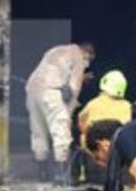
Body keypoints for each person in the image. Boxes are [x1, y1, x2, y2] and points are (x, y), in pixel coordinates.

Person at [25, 42, 95, 183]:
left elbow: (54, 71)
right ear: (87, 53)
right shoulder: (78, 55)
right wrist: (68, 114)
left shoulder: (56, 50)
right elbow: (75, 87)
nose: (88, 63)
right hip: (52, 92)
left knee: (38, 131)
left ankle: (42, 172)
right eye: (89, 59)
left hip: (32, 90)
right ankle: (60, 174)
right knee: (61, 131)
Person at [77, 70, 132, 136]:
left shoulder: (94, 103)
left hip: (95, 139)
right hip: (118, 140)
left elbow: (82, 121)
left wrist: (85, 134)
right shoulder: (127, 106)